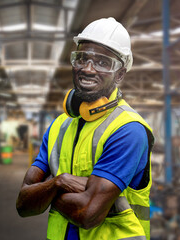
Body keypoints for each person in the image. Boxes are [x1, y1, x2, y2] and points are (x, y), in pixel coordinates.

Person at [16, 17, 154, 240]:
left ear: (119, 74)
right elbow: (23, 204)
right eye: (82, 58)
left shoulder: (128, 130)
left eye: (102, 62)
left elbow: (88, 213)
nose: (88, 69)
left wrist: (45, 192)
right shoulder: (58, 127)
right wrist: (59, 182)